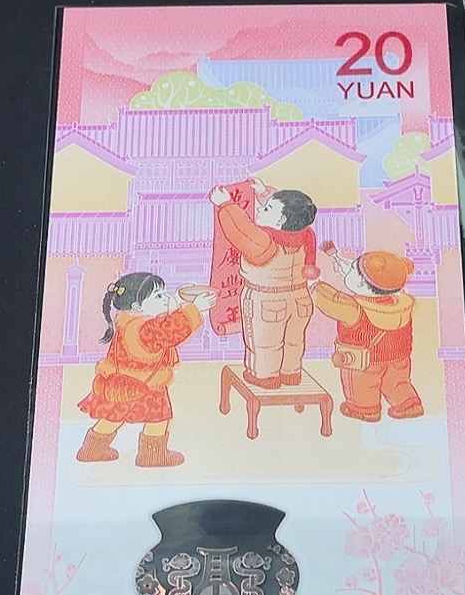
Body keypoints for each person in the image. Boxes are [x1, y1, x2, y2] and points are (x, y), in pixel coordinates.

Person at [74, 272, 216, 467]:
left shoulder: (133, 321)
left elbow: (162, 325)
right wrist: (194, 309)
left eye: (164, 292)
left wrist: (177, 301)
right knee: (158, 418)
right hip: (144, 385)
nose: (165, 297)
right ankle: (152, 456)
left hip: (126, 382)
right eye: (158, 296)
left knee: (113, 417)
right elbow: (169, 332)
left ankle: (92, 450)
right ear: (137, 306)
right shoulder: (142, 329)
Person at [209, 178, 318, 389]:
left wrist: (225, 204)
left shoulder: (265, 240)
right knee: (294, 340)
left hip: (267, 300)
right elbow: (288, 209)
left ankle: (265, 377)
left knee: (265, 342)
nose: (260, 210)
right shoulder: (304, 234)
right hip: (300, 298)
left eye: (267, 208)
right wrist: (264, 193)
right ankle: (291, 373)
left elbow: (241, 229)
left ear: (281, 219)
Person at [312, 246, 424, 423]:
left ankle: (364, 410)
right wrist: (338, 260)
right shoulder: (402, 303)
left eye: (352, 269)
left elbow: (331, 300)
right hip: (399, 358)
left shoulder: (355, 309)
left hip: (364, 362)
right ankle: (407, 405)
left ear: (361, 284)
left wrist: (315, 284)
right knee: (397, 383)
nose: (348, 269)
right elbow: (367, 280)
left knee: (362, 386)